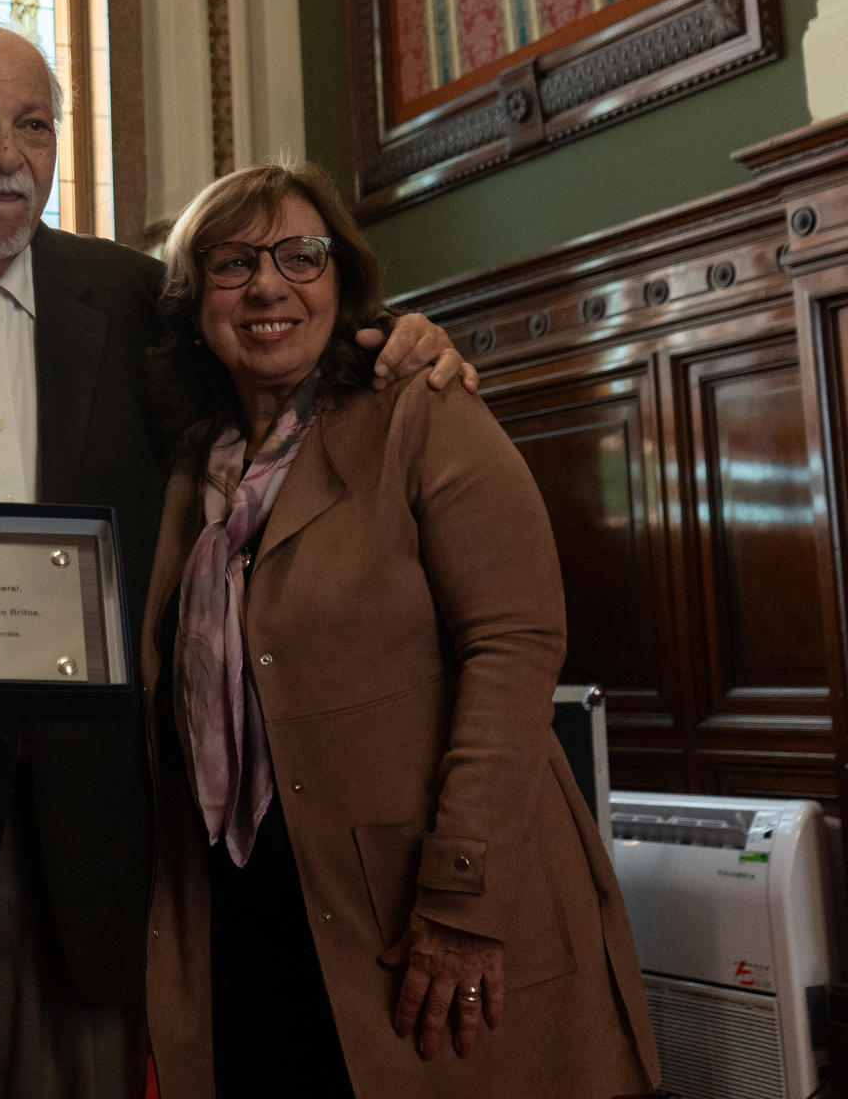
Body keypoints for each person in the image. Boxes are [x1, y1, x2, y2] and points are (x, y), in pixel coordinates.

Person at [0, 12, 471, 1099]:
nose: (9, 154)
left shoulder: (134, 300)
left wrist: (401, 342)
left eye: (35, 123)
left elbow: (279, 371)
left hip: (94, 850)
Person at [138, 162, 659, 1097]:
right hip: (245, 920)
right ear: (193, 300)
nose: (269, 286)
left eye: (302, 256)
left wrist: (463, 894)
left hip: (427, 910)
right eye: (232, 263)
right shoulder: (187, 471)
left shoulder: (422, 410)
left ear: (343, 282)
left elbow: (515, 649)